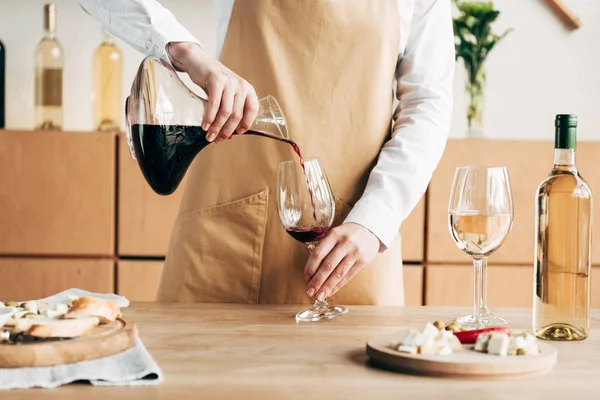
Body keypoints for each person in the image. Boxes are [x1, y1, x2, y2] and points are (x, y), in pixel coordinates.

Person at [77, 0, 454, 305]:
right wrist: (183, 50)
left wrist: (375, 220)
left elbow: (427, 104)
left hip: (352, 241)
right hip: (223, 239)